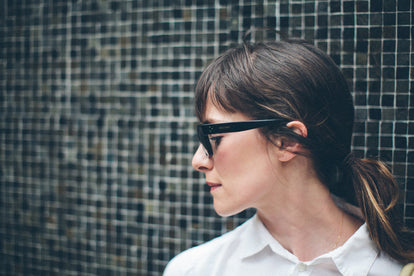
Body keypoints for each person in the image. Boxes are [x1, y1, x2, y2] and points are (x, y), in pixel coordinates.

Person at [164, 38, 414, 275]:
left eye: (214, 135)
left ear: (287, 141)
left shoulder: (395, 270)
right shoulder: (193, 271)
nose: (198, 160)